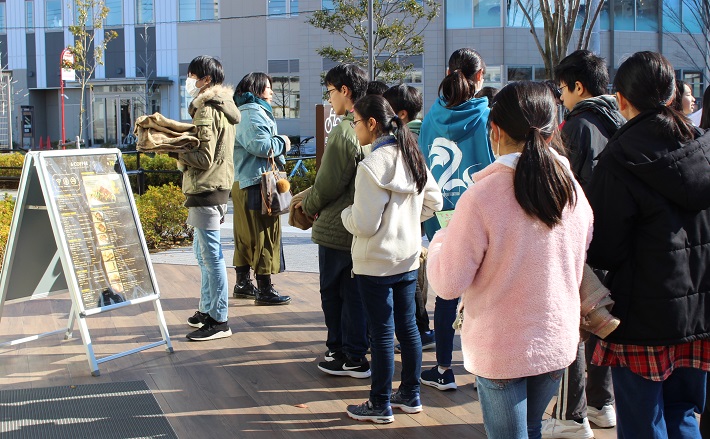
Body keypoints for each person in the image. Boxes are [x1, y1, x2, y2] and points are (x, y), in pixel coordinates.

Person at [427, 80, 594, 439]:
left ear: (496, 131)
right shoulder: (572, 190)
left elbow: (447, 283)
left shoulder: (483, 195)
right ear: (551, 131)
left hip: (501, 346)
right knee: (530, 428)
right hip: (555, 340)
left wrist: (441, 240)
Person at [587, 51, 710, 439]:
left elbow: (604, 247)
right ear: (674, 93)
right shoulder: (703, 147)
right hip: (700, 312)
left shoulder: (618, 158)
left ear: (621, 101)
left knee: (643, 423)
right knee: (684, 413)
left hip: (642, 313)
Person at [343, 95, 443, 424]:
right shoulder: (412, 156)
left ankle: (379, 403)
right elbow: (435, 202)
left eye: (355, 121)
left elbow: (365, 223)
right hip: (409, 258)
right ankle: (410, 395)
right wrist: (409, 220)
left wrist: (346, 216)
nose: (354, 127)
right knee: (409, 328)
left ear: (372, 123)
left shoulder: (371, 166)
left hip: (375, 262)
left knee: (383, 333)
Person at [542, 49, 624, 438]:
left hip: (581, 242)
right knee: (600, 317)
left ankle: (570, 415)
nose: (561, 98)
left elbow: (562, 189)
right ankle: (600, 402)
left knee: (573, 325)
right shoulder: (619, 120)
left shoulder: (577, 126)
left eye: (562, 90)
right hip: (614, 240)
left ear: (578, 86)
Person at [418, 47, 494, 391]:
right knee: (487, 292)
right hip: (484, 213)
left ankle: (444, 369)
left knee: (446, 291)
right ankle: (484, 372)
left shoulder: (431, 116)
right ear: (480, 76)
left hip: (442, 217)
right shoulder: (488, 116)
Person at [296, 64, 372, 378]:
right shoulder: (372, 124)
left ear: (345, 90)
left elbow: (329, 183)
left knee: (334, 293)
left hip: (337, 227)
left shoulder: (344, 130)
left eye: (330, 91)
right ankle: (356, 354)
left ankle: (343, 353)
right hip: (359, 224)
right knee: (354, 294)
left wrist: (308, 206)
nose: (329, 99)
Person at [180, 55, 240, 341]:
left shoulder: (206, 110)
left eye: (192, 75)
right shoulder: (224, 107)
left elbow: (202, 157)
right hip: (216, 187)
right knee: (203, 254)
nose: (188, 80)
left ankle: (219, 319)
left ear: (206, 79)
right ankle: (207, 310)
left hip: (206, 188)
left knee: (211, 256)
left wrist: (170, 147)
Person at [231, 72, 292, 306]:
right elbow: (261, 145)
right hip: (257, 184)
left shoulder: (245, 111)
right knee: (264, 234)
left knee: (246, 237)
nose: (272, 92)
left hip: (248, 182)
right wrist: (283, 142)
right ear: (257, 90)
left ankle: (244, 283)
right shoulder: (252, 113)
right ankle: (265, 289)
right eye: (268, 88)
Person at [383, 84, 434, 351]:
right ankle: (420, 329)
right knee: (412, 274)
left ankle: (416, 329)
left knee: (403, 281)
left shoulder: (401, 139)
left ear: (400, 114)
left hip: (398, 226)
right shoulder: (428, 130)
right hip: (417, 221)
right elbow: (433, 196)